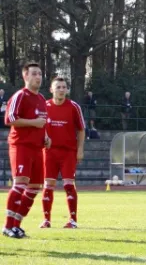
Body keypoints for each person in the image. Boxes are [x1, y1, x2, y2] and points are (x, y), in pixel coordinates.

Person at [3, 62, 50, 239]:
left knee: (34, 187)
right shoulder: (20, 95)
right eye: (34, 74)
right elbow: (10, 119)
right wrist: (33, 123)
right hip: (21, 145)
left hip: (37, 148)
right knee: (20, 182)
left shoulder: (41, 99)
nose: (38, 77)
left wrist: (46, 136)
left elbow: (42, 123)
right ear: (26, 76)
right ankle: (7, 226)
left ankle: (16, 225)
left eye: (39, 74)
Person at [40, 77, 86, 229]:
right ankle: (46, 220)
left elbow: (81, 129)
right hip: (49, 152)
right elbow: (38, 127)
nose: (61, 90)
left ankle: (73, 220)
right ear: (51, 90)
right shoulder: (44, 106)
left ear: (67, 90)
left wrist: (80, 150)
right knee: (48, 185)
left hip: (68, 152)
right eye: (58, 87)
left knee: (68, 185)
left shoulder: (74, 107)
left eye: (64, 87)